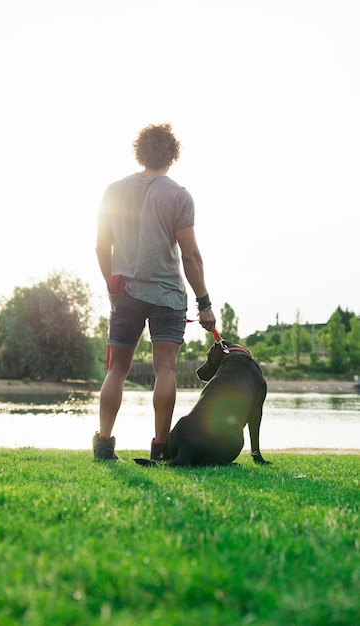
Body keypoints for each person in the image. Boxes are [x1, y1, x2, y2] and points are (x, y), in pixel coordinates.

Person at [94, 123, 216, 461]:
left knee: (116, 369)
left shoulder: (113, 191)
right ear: (172, 155)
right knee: (165, 369)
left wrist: (111, 282)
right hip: (167, 296)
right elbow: (190, 255)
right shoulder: (178, 195)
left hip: (126, 292)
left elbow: (102, 246)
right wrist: (204, 302)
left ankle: (104, 443)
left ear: (140, 152)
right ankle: (160, 447)